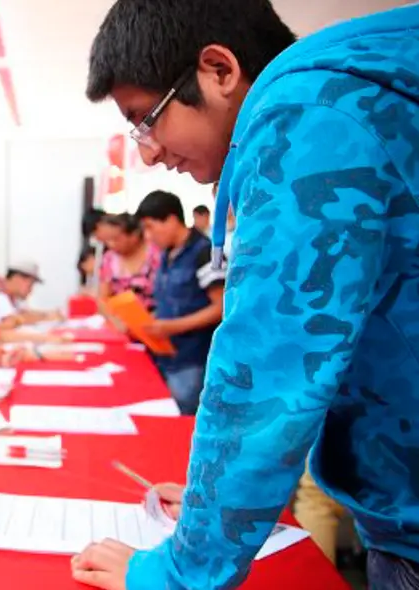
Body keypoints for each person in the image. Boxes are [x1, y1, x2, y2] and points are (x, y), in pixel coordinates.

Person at [73, 1, 419, 589]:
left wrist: (183, 569)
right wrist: (218, 504)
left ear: (219, 70)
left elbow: (269, 370)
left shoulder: (304, 113)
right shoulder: (353, 88)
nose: (148, 151)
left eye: (145, 119)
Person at [133, 191, 224, 415]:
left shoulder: (205, 253)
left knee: (185, 423)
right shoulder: (167, 254)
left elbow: (222, 307)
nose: (148, 236)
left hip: (193, 359)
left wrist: (172, 326)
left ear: (171, 219)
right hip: (166, 356)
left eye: (150, 226)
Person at [94, 213, 160, 311]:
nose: (111, 244)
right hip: (119, 320)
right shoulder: (109, 259)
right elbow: (103, 298)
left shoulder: (156, 255)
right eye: (108, 240)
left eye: (116, 239)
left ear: (134, 235)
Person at [0, 261, 62, 327]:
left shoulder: (14, 298)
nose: (31, 290)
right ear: (17, 278)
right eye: (30, 285)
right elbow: (16, 320)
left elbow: (25, 312)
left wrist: (49, 313)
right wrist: (47, 316)